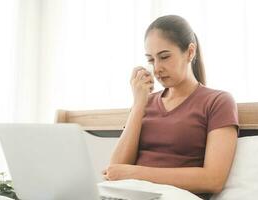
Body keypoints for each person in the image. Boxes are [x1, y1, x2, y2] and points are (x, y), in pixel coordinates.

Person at [102, 15, 239, 200]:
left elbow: (213, 180)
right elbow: (115, 170)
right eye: (151, 60)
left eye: (164, 57)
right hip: (129, 194)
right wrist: (138, 105)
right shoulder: (145, 103)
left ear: (190, 52)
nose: (157, 68)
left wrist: (134, 173)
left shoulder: (218, 101)